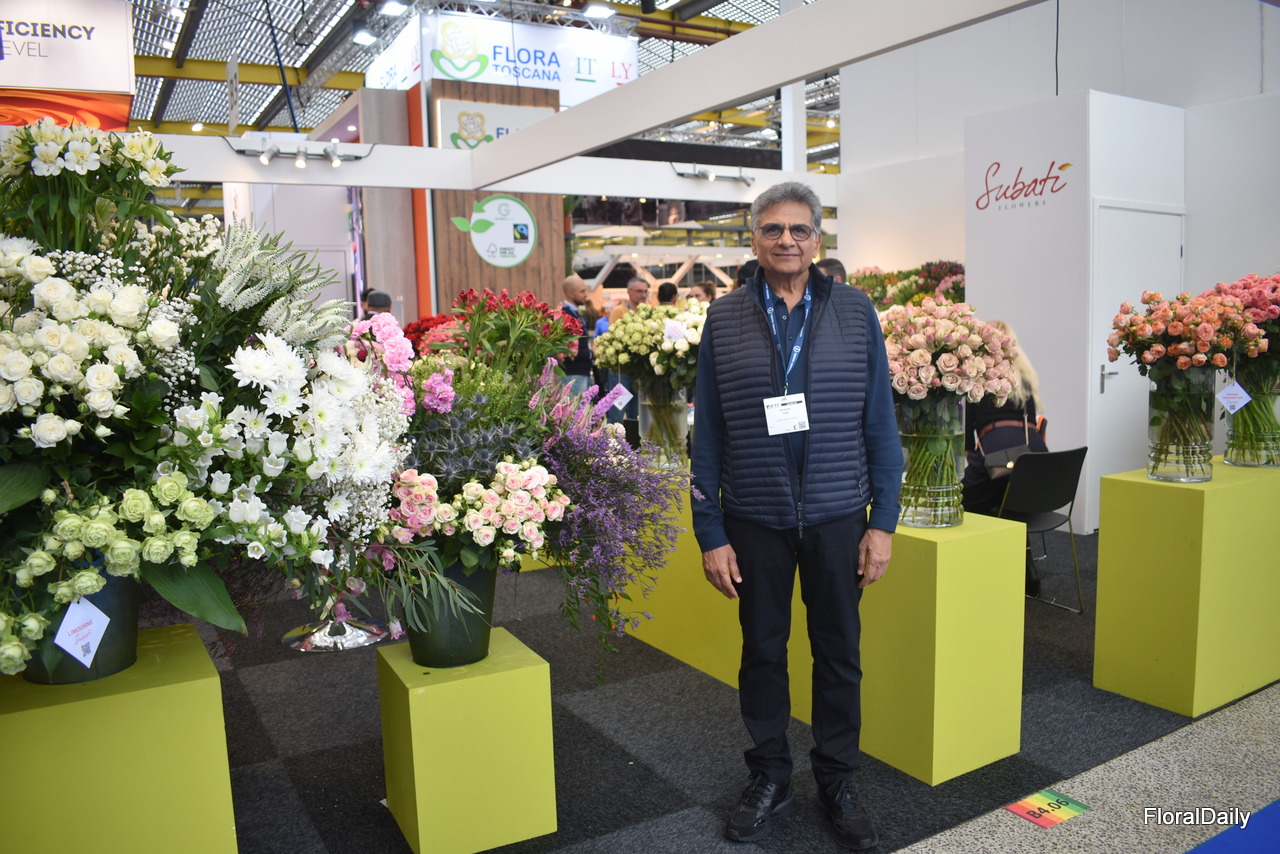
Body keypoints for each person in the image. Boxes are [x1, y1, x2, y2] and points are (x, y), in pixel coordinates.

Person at [691, 181, 902, 850]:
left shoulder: (856, 311)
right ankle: (770, 775)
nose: (787, 240)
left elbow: (880, 422)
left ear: (817, 239)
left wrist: (883, 522)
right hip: (755, 517)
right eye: (773, 229)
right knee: (762, 651)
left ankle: (837, 779)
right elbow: (707, 433)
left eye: (799, 229)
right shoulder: (724, 317)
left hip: (839, 516)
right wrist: (710, 531)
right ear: (755, 238)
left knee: (839, 654)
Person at [961, 319, 1048, 594]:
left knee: (960, 501)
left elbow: (966, 438)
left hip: (997, 462)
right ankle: (1024, 570)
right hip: (1038, 468)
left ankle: (981, 573)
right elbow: (1032, 422)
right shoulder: (1025, 376)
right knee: (1011, 505)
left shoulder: (979, 378)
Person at [605, 277, 650, 426]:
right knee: (617, 412)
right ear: (629, 291)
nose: (643, 295)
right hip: (621, 370)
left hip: (640, 370)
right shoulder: (618, 311)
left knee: (637, 414)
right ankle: (612, 439)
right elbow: (615, 337)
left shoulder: (648, 311)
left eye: (645, 291)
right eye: (639, 291)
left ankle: (633, 440)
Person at [559, 275, 593, 395]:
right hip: (573, 373)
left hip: (581, 372)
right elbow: (565, 348)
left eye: (586, 290)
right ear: (569, 293)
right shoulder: (565, 314)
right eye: (582, 291)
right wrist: (590, 353)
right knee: (574, 406)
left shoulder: (575, 313)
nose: (586, 294)